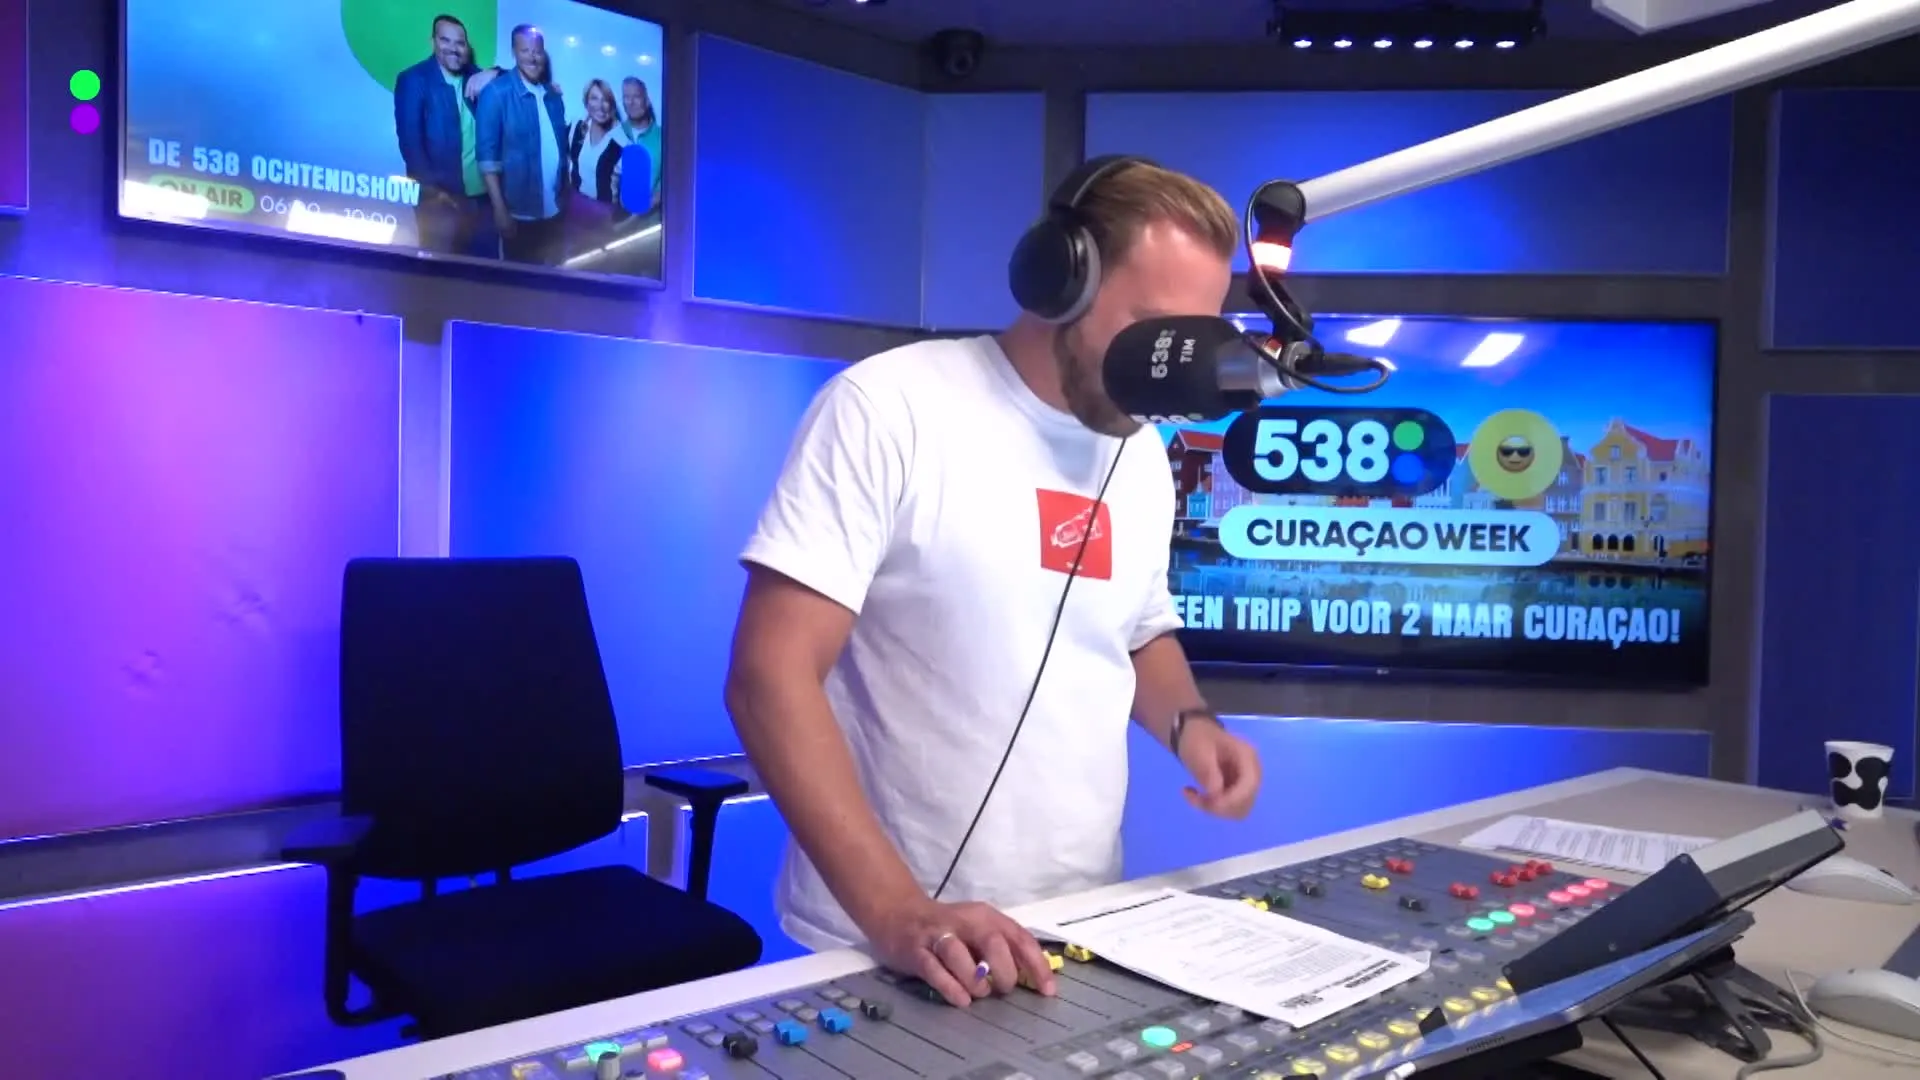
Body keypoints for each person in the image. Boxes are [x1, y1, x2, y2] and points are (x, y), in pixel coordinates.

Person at [726, 158, 1265, 1009]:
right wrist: (899, 913)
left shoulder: (1141, 455)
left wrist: (1192, 725)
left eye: (1188, 340)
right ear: (1060, 280)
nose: (1166, 368)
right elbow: (769, 677)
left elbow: (1135, 627)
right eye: (1150, 329)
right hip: (881, 943)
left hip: (1074, 931)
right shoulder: (886, 409)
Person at [391, 14, 501, 255]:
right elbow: (411, 146)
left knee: (485, 272)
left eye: (460, 43)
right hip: (441, 202)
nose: (453, 48)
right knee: (440, 272)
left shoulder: (475, 76)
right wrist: (434, 195)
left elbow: (513, 83)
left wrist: (494, 72)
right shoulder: (413, 79)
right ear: (433, 42)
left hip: (483, 201)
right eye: (445, 40)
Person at [475, 24, 572, 264]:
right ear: (514, 52)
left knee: (553, 280)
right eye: (525, 50)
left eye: (537, 51)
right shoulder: (496, 93)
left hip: (555, 212)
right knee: (520, 282)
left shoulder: (553, 96)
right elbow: (487, 159)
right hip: (519, 216)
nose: (532, 57)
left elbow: (561, 151)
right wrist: (500, 210)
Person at [565, 78, 629, 246]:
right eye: (594, 98)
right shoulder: (576, 128)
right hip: (573, 211)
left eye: (605, 100)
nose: (600, 106)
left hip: (603, 218)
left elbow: (631, 199)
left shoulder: (623, 144)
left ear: (612, 105)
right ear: (586, 103)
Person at [618, 76, 662, 215]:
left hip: (650, 220)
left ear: (647, 101)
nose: (631, 102)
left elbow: (673, 179)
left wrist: (653, 201)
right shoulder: (615, 132)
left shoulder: (663, 137)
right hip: (613, 219)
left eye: (636, 97)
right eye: (626, 97)